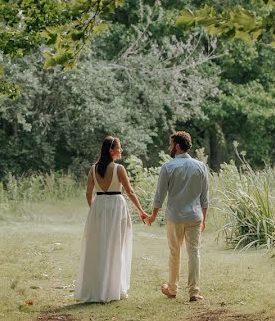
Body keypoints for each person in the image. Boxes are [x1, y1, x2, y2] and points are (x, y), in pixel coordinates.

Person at [75, 136, 149, 303]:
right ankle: (113, 288)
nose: (121, 150)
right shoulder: (119, 169)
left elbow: (88, 193)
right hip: (116, 207)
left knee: (98, 247)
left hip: (99, 206)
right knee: (116, 246)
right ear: (111, 150)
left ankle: (96, 289)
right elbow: (130, 192)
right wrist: (142, 211)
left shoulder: (93, 169)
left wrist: (95, 210)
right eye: (119, 147)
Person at [146, 130, 209, 302]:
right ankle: (194, 292)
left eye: (171, 144)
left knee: (175, 253)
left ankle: (172, 289)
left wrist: (152, 216)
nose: (169, 147)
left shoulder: (168, 167)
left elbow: (160, 196)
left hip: (175, 217)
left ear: (178, 146)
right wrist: (204, 218)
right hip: (195, 216)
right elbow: (205, 198)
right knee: (194, 253)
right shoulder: (201, 166)